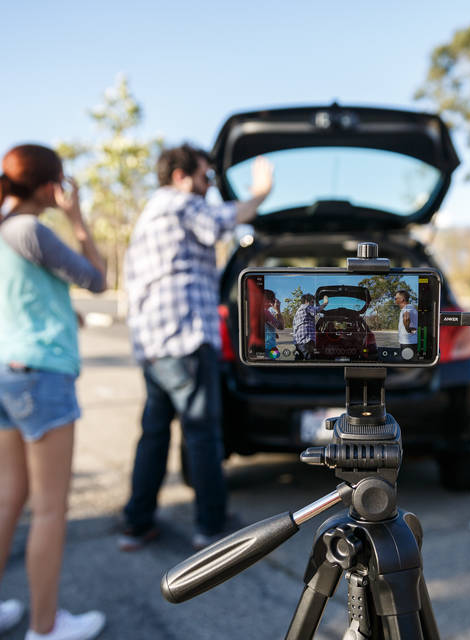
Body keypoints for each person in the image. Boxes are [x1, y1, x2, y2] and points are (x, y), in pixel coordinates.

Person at [121, 144, 273, 551]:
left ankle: (137, 523)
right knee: (202, 433)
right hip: (185, 339)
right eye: (206, 177)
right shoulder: (180, 204)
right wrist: (260, 194)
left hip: (154, 343)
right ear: (180, 176)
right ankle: (212, 525)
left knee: (154, 433)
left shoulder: (150, 213)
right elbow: (222, 221)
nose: (208, 187)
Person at [0, 145, 106, 639]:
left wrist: (67, 314)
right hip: (41, 377)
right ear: (50, 186)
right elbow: (98, 278)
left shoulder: (4, 230)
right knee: (49, 508)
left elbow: (26, 298)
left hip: (8, 372)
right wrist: (78, 218)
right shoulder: (30, 229)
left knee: (9, 500)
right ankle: (45, 629)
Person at [293, 293, 328, 359]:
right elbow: (316, 310)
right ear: (306, 301)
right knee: (310, 362)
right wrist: (325, 303)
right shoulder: (306, 307)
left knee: (299, 362)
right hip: (306, 341)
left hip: (299, 342)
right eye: (312, 302)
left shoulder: (298, 311)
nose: (313, 304)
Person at [394, 290, 418, 357]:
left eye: (396, 298)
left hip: (408, 343)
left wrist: (408, 330)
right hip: (411, 342)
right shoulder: (411, 307)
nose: (395, 300)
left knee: (407, 364)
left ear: (402, 299)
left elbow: (406, 318)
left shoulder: (406, 308)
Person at [263, 289, 283, 356]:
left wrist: (273, 332)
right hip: (269, 348)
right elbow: (281, 326)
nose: (274, 300)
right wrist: (278, 310)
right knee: (276, 357)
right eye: (272, 298)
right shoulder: (266, 313)